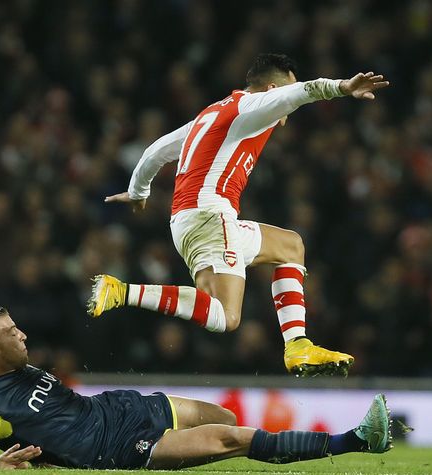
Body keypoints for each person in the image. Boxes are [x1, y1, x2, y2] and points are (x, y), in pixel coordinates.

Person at [88, 53, 389, 377]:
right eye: (284, 89)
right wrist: (343, 87)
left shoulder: (213, 113)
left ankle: (298, 344)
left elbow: (155, 151)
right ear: (272, 88)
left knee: (290, 245)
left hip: (190, 221)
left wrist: (139, 192)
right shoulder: (250, 108)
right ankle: (122, 291)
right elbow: (306, 91)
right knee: (226, 317)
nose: (287, 103)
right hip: (210, 218)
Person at [0, 304, 392, 470]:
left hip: (121, 407)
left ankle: (256, 446)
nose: (22, 335)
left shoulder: (19, 369)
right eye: (12, 332)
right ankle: (357, 439)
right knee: (233, 439)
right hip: (118, 446)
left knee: (226, 419)